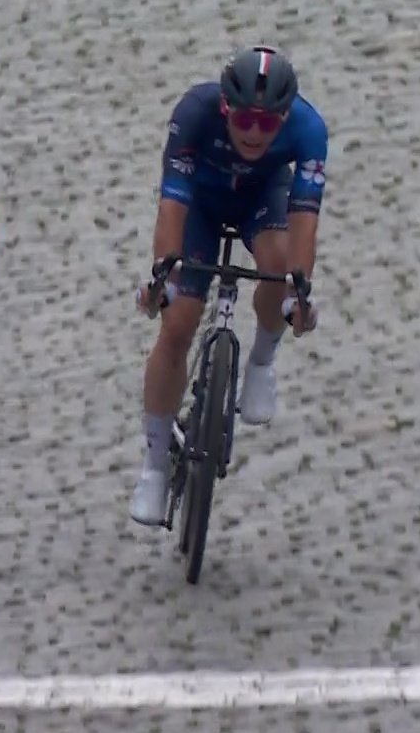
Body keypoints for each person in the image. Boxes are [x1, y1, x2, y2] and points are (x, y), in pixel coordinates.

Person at [129, 44, 327, 527]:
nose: (254, 132)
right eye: (244, 119)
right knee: (178, 325)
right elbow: (172, 206)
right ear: (224, 108)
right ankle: (154, 466)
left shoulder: (310, 129)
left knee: (278, 266)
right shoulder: (193, 113)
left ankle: (261, 362)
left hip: (263, 197)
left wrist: (299, 295)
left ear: (286, 116)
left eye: (268, 122)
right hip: (200, 202)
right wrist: (163, 277)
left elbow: (305, 219)